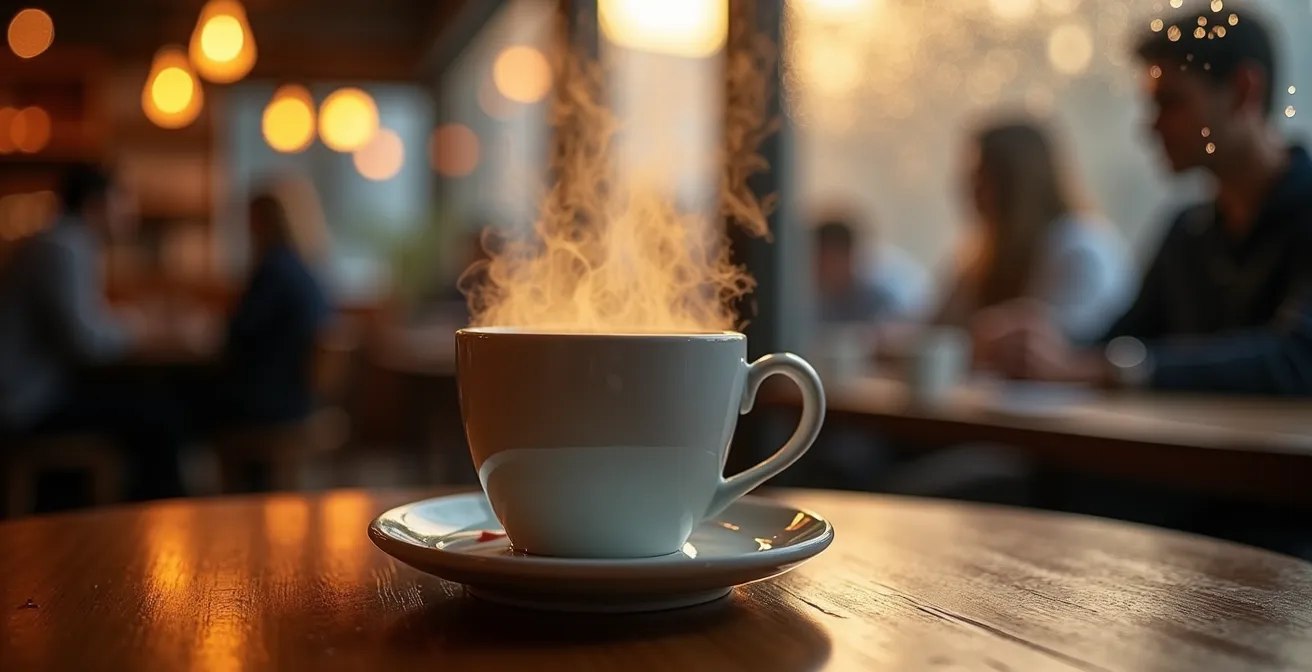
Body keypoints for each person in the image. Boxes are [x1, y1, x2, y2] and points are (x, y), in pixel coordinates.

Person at [977, 5, 1312, 397]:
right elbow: (1122, 340)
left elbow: (1300, 360)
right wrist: (1044, 344)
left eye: (1171, 102)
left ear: (1243, 91)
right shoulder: (1189, 231)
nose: (1150, 125)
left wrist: (1109, 369)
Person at [0, 163, 185, 503]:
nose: (131, 210)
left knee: (149, 402)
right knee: (157, 414)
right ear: (95, 204)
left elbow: (88, 324)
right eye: (123, 201)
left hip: (37, 391)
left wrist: (130, 322)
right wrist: (140, 325)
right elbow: (86, 341)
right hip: (26, 403)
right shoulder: (62, 246)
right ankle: (156, 519)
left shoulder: (66, 242)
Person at [933, 120, 1133, 345]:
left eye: (983, 179)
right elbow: (936, 328)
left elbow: (1070, 345)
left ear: (1018, 184)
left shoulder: (1080, 249)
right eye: (970, 179)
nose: (970, 192)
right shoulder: (979, 255)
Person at [195, 188, 330, 431]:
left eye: (252, 219)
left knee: (173, 399)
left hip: (273, 400)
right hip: (300, 397)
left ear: (267, 222)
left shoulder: (274, 270)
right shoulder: (304, 268)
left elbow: (238, 332)